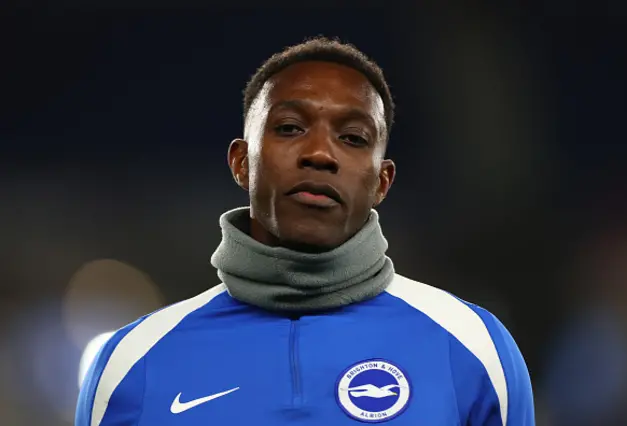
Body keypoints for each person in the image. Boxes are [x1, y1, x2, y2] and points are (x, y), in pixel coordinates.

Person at [76, 36, 535, 426]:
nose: (320, 153)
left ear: (382, 181)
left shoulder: (473, 348)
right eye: (290, 127)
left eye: (353, 138)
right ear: (241, 162)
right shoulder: (132, 363)